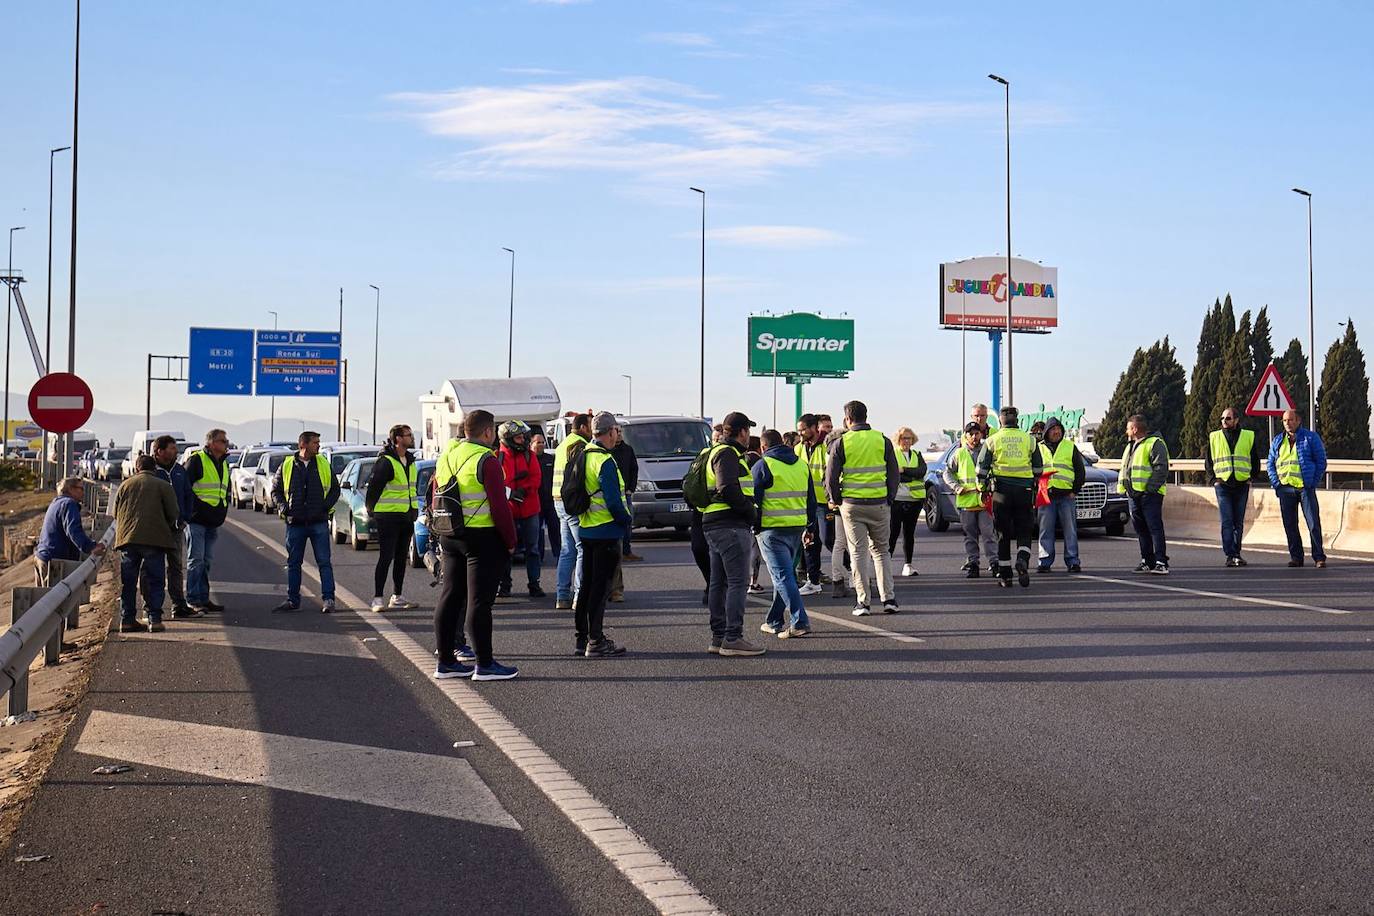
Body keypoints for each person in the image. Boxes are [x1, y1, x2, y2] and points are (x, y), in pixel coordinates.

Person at [432, 409, 520, 681]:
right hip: (481, 537)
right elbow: (500, 507)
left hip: (449, 533)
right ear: (488, 432)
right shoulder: (487, 460)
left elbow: (435, 489)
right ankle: (485, 664)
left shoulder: (448, 454)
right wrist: (511, 541)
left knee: (450, 596)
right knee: (479, 602)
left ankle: (446, 661)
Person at [826, 399, 900, 615]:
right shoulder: (882, 440)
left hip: (852, 505)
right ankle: (889, 599)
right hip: (879, 504)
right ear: (866, 416)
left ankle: (863, 602)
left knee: (858, 553)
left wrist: (837, 499)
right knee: (881, 552)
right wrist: (889, 497)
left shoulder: (842, 442)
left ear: (848, 419)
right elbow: (894, 473)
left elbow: (831, 477)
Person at [703, 411, 766, 656]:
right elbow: (727, 487)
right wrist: (750, 512)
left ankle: (718, 637)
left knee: (719, 582)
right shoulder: (728, 454)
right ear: (741, 432)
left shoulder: (714, 452)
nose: (748, 435)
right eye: (747, 431)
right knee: (738, 582)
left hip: (714, 523)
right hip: (729, 525)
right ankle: (733, 637)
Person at [573, 412, 631, 657]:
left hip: (586, 528)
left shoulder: (582, 455)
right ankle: (596, 641)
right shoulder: (604, 460)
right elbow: (613, 500)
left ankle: (582, 639)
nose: (617, 434)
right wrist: (626, 521)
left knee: (586, 586)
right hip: (606, 530)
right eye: (616, 430)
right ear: (609, 432)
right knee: (600, 589)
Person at [753, 428, 815, 638]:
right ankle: (774, 620)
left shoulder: (763, 465)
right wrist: (810, 527)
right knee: (785, 575)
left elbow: (754, 500)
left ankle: (799, 621)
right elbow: (811, 500)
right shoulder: (801, 465)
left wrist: (754, 526)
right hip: (797, 528)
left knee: (782, 576)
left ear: (763, 447)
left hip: (771, 529)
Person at [271, 431, 341, 613]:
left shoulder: (323, 464)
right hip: (296, 523)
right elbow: (276, 490)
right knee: (294, 563)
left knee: (324, 562)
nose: (318, 445)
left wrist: (324, 507)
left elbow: (335, 489)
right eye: (315, 443)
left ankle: (329, 599)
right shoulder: (287, 465)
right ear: (303, 445)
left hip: (318, 522)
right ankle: (293, 599)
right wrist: (284, 508)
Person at [977, 406, 1043, 588]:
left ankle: (1006, 576)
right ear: (1017, 420)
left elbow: (981, 469)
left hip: (1001, 492)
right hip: (1024, 491)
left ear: (1000, 421)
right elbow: (1038, 468)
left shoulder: (992, 440)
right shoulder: (1029, 440)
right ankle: (1022, 559)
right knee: (1024, 529)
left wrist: (982, 488)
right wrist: (1033, 482)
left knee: (1003, 533)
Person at [112, 456, 179, 633]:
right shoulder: (163, 486)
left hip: (128, 540)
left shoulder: (124, 485)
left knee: (128, 582)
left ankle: (126, 619)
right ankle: (154, 619)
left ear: (136, 468)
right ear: (154, 468)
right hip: (154, 539)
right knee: (155, 580)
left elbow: (115, 513)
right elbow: (173, 513)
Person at [363, 423, 419, 610]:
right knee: (386, 557)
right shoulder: (386, 462)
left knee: (401, 557)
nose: (411, 437)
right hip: (387, 517)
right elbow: (374, 488)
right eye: (408, 435)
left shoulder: (410, 461)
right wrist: (371, 510)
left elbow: (411, 489)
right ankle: (377, 598)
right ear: (398, 439)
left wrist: (414, 510)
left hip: (406, 516)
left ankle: (397, 596)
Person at [1268, 408, 1328, 568]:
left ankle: (1319, 557)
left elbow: (1321, 461)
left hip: (1305, 488)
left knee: (1313, 523)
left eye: (1291, 420)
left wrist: (1312, 482)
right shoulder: (1278, 441)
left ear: (1298, 421)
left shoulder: (1310, 438)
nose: (1288, 423)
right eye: (1285, 420)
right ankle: (1296, 557)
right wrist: (1277, 484)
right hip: (1285, 489)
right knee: (1290, 524)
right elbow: (1271, 464)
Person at [1204, 407, 1262, 567]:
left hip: (1242, 483)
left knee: (1239, 521)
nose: (1224, 421)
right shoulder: (1214, 436)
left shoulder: (1248, 436)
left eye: (1228, 418)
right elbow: (1208, 460)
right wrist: (1213, 479)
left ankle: (1237, 552)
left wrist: (1253, 476)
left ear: (1236, 420)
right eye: (1222, 419)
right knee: (1227, 520)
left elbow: (1254, 457)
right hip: (1223, 484)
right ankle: (1230, 554)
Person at [146, 435, 195, 618]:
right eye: (172, 448)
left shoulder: (179, 471)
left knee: (176, 567)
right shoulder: (151, 472)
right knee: (151, 568)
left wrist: (185, 518)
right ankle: (149, 606)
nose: (176, 451)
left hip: (176, 528)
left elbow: (188, 495)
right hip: (155, 529)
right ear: (160, 451)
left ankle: (179, 604)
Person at [185, 428, 232, 612]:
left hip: (213, 521)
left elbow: (223, 490)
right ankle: (193, 599)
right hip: (197, 520)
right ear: (211, 443)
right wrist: (197, 508)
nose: (226, 443)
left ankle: (203, 598)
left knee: (206, 561)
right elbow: (185, 488)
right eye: (222, 440)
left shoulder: (223, 463)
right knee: (195, 560)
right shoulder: (197, 460)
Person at [498, 420, 546, 598]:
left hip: (530, 509)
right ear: (508, 438)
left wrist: (524, 490)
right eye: (519, 438)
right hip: (508, 511)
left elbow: (536, 478)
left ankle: (534, 584)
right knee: (505, 549)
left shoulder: (530, 456)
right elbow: (497, 483)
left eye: (523, 437)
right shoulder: (498, 457)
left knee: (532, 549)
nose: (523, 441)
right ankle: (504, 585)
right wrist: (510, 493)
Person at [1119, 414, 1170, 574]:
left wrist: (1149, 489)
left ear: (1134, 428)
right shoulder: (1130, 446)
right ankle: (1147, 560)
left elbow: (1161, 468)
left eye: (1128, 428)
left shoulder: (1155, 443)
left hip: (1150, 495)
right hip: (1134, 494)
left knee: (1154, 528)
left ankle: (1161, 562)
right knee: (1141, 529)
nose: (1126, 431)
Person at [943, 423, 995, 578]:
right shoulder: (959, 454)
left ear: (981, 434)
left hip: (984, 502)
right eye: (971, 433)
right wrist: (957, 487)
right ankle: (973, 564)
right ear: (965, 436)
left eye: (977, 433)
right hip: (967, 502)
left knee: (988, 534)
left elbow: (995, 471)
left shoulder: (987, 452)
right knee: (970, 536)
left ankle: (994, 563)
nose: (974, 436)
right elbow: (948, 473)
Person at [1035, 417, 1086, 573]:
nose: (1056, 432)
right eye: (1053, 429)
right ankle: (1044, 562)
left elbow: (1080, 471)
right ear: (1047, 432)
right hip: (1046, 495)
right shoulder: (1039, 448)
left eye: (1058, 429)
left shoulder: (1070, 447)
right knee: (1045, 530)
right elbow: (1034, 471)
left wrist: (1074, 491)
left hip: (1066, 496)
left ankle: (1073, 561)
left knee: (1070, 530)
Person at [553, 413, 592, 611]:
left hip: (558, 501)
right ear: (584, 427)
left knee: (567, 550)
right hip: (572, 502)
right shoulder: (579, 446)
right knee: (582, 548)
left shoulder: (563, 444)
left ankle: (562, 596)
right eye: (591, 426)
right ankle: (579, 596)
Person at [34, 477, 105, 586]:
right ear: (71, 489)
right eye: (81, 489)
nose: (83, 492)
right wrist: (91, 547)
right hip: (53, 562)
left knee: (43, 600)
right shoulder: (69, 504)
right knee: (56, 600)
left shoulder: (56, 502)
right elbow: (73, 531)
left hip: (42, 556)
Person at [793, 414, 827, 597]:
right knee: (810, 542)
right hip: (806, 502)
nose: (800, 433)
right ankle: (813, 581)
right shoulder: (798, 448)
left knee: (830, 539)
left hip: (824, 502)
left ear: (814, 428)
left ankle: (852, 568)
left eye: (803, 429)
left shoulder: (825, 446)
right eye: (799, 429)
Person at [889, 426, 927, 577]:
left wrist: (904, 471)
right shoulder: (893, 454)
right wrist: (912, 475)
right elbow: (894, 475)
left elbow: (922, 471)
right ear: (898, 439)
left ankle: (908, 565)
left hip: (915, 499)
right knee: (893, 532)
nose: (906, 441)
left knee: (909, 533)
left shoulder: (917, 454)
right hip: (897, 499)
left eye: (909, 438)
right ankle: (886, 565)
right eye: (904, 438)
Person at [611, 431, 642, 562]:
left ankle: (626, 551)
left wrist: (631, 488)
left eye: (620, 432)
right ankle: (615, 552)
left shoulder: (628, 450)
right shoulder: (608, 451)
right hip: (613, 493)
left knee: (628, 522)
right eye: (616, 432)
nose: (618, 435)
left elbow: (634, 470)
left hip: (626, 494)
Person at [531, 432, 560, 565]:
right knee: (538, 533)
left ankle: (559, 555)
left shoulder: (550, 459)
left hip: (550, 502)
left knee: (555, 529)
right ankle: (539, 557)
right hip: (535, 503)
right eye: (538, 442)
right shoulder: (528, 460)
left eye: (543, 442)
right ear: (531, 444)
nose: (541, 445)